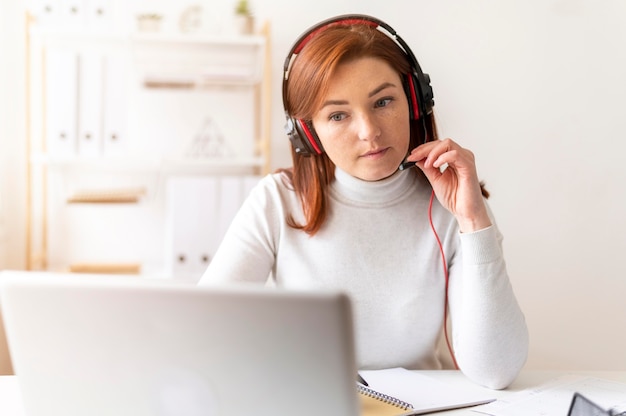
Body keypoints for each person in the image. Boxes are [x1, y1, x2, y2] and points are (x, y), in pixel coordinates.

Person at [198, 14, 528, 390]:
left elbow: (496, 371)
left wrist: (473, 221)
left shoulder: (453, 205)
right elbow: (205, 336)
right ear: (308, 132)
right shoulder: (278, 201)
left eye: (383, 101)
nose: (369, 131)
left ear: (415, 102)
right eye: (338, 115)